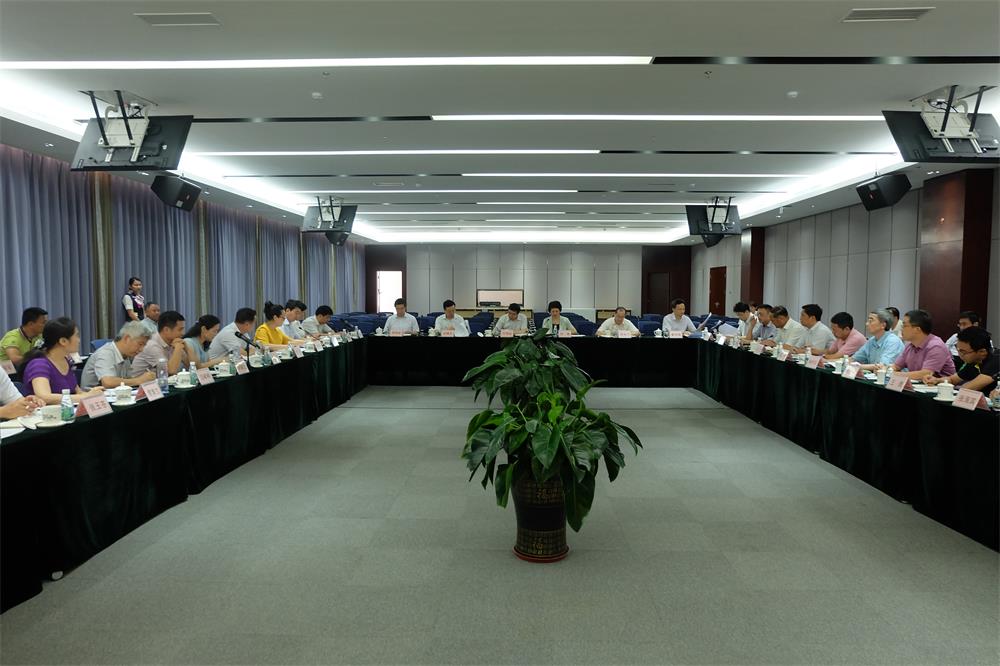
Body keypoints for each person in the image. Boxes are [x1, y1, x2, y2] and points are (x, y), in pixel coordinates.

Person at [20, 317, 101, 404]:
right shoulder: (39, 364)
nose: (79, 340)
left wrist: (94, 394)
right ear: (63, 341)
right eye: (77, 336)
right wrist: (85, 397)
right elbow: (44, 397)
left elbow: (78, 392)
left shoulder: (65, 361)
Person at [80, 321, 154, 389]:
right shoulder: (106, 353)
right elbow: (108, 382)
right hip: (93, 397)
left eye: (144, 345)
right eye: (140, 344)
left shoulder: (126, 355)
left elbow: (126, 381)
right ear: (127, 338)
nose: (141, 349)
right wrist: (138, 380)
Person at [925, 326, 998, 394]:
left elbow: (968, 388)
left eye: (963, 352)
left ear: (982, 352)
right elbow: (952, 380)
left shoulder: (996, 360)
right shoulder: (974, 361)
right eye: (958, 349)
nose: (959, 354)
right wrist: (937, 380)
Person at [890, 309, 956, 380]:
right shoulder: (910, 345)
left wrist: (894, 374)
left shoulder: (936, 346)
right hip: (918, 384)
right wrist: (886, 369)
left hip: (939, 385)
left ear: (917, 329)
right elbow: (896, 366)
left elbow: (925, 374)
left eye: (904, 326)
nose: (901, 329)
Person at [130, 310, 190, 377]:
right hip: (141, 383)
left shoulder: (174, 341)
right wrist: (178, 348)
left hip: (159, 381)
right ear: (166, 330)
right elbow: (170, 371)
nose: (182, 333)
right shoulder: (152, 345)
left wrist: (187, 348)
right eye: (180, 330)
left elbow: (192, 366)